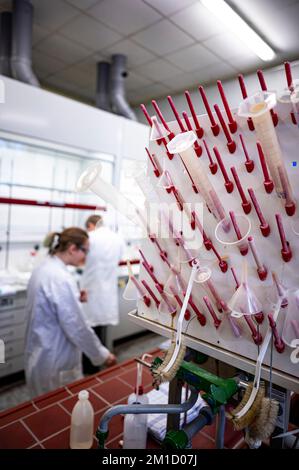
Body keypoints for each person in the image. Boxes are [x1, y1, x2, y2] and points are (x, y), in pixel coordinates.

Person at [24, 227, 116, 398]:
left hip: (40, 352)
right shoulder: (61, 278)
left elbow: (51, 307)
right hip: (55, 359)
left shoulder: (44, 268)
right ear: (73, 248)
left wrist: (75, 298)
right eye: (85, 251)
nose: (85, 257)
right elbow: (77, 326)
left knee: (41, 408)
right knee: (57, 413)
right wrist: (102, 354)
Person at [81, 215, 125, 373]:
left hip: (90, 290)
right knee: (100, 329)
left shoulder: (90, 237)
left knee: (87, 328)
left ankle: (90, 367)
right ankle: (99, 362)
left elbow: (81, 260)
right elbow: (119, 258)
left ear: (91, 225)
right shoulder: (117, 238)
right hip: (107, 291)